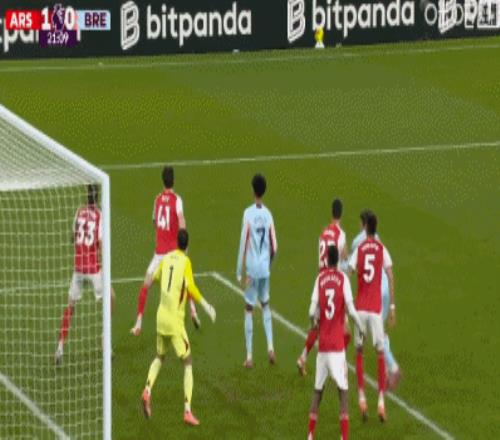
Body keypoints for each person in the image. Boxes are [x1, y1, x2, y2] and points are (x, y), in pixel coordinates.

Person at [141, 229, 216, 425]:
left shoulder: (166, 258)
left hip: (160, 317)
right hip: (175, 322)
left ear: (176, 242)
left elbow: (152, 278)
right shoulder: (185, 262)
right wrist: (206, 306)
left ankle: (147, 390)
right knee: (188, 362)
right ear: (187, 245)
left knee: (159, 356)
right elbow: (191, 287)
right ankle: (187, 411)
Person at [131, 166, 199, 336]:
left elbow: (155, 222)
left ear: (163, 180)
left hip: (159, 254)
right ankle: (192, 309)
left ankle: (138, 323)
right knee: (184, 280)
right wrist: (183, 243)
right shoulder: (177, 200)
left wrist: (162, 232)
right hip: (174, 252)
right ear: (173, 180)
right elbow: (181, 220)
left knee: (146, 285)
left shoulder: (157, 200)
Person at [55, 184, 116, 364]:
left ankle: (60, 348)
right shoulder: (99, 215)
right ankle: (105, 341)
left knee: (70, 306)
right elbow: (101, 244)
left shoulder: (79, 211)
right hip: (94, 269)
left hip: (78, 268)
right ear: (97, 198)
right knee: (111, 298)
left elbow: (73, 237)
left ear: (87, 196)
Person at [307, 245, 362, 440]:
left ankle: (310, 435)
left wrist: (314, 323)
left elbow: (311, 311)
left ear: (326, 260)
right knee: (343, 392)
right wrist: (360, 327)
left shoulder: (320, 279)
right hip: (337, 347)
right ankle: (344, 438)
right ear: (338, 260)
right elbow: (351, 310)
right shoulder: (343, 279)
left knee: (318, 391)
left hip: (323, 346)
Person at [348, 212, 396, 422]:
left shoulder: (359, 249)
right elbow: (390, 275)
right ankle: (381, 403)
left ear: (365, 228)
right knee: (379, 353)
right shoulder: (381, 249)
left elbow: (348, 272)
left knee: (359, 352)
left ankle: (361, 399)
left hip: (360, 309)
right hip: (376, 310)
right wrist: (392, 306)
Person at [297, 198, 350, 376]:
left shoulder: (323, 233)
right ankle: (338, 364)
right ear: (341, 213)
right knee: (345, 329)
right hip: (334, 283)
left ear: (331, 212)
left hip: (321, 280)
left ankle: (303, 358)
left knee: (318, 325)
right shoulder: (340, 235)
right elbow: (344, 258)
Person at [236, 174, 278, 368]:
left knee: (249, 308)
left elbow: (242, 244)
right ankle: (270, 347)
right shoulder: (268, 215)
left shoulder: (247, 214)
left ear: (253, 190)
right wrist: (268, 264)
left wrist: (239, 272)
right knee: (266, 304)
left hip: (252, 270)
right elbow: (275, 246)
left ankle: (249, 356)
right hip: (264, 269)